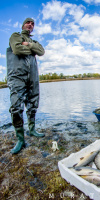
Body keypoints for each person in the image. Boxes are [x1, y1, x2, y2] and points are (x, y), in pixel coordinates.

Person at [6, 18, 45, 154]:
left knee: (33, 103)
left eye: (33, 23)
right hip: (17, 76)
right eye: (28, 22)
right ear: (23, 25)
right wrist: (30, 47)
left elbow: (41, 51)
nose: (30, 25)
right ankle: (20, 139)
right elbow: (16, 49)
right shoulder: (15, 36)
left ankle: (32, 129)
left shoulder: (34, 42)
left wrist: (27, 44)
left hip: (32, 77)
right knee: (16, 107)